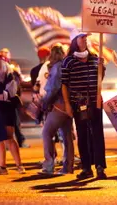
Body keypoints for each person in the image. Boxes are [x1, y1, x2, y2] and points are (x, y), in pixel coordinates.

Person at [61, 29, 107, 180]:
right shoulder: (68, 61)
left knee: (98, 134)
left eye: (86, 38)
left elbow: (99, 79)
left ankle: (100, 167)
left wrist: (102, 67)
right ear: (75, 41)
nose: (85, 40)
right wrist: (67, 104)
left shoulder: (95, 58)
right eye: (81, 38)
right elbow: (64, 85)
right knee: (82, 135)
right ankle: (86, 167)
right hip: (78, 102)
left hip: (95, 101)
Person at [0, 53, 26, 175]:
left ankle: (19, 165)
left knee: (9, 137)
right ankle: (2, 167)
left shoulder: (10, 75)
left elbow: (9, 95)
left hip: (7, 109)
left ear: (3, 62)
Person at [38, 45, 74, 175]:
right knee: (67, 136)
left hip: (58, 105)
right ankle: (68, 167)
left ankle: (48, 166)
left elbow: (52, 88)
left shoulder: (56, 67)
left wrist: (44, 103)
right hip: (69, 106)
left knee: (47, 133)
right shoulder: (67, 66)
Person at [0, 48, 29, 148]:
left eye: (6, 53)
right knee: (5, 122)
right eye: (3, 53)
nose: (5, 54)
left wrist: (15, 70)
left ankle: (20, 140)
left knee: (15, 121)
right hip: (3, 97)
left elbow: (20, 78)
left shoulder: (14, 65)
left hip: (14, 97)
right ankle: (6, 142)